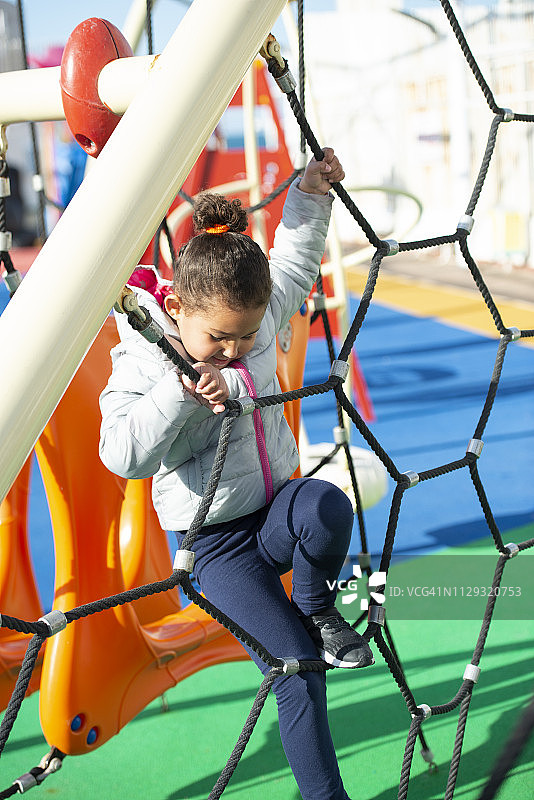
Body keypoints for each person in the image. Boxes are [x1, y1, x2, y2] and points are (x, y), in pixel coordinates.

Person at [99, 148, 374, 800]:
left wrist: (309, 193)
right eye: (218, 337)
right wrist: (180, 393)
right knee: (295, 667)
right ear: (180, 311)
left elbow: (296, 261)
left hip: (276, 509)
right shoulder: (146, 352)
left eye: (246, 336)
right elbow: (121, 454)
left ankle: (314, 605)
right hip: (215, 546)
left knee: (328, 506)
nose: (233, 350)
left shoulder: (255, 317)